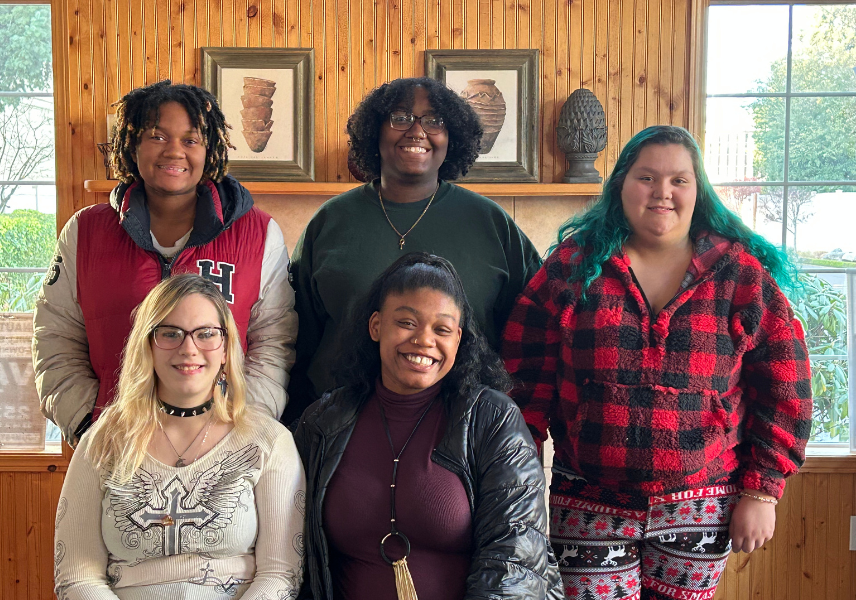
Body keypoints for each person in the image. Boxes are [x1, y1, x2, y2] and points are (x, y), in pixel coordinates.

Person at [501, 125, 813, 600]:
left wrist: (762, 492)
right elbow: (524, 384)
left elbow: (785, 389)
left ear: (697, 190)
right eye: (646, 177)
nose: (662, 192)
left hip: (703, 505)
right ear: (621, 184)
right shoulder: (571, 267)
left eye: (678, 180)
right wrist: (514, 487)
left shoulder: (741, 276)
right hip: (588, 502)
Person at [34, 81, 296, 446]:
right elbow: (56, 340)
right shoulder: (84, 232)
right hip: (115, 445)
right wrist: (87, 426)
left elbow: (274, 343)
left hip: (222, 449)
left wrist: (241, 431)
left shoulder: (260, 234)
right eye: (157, 136)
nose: (174, 152)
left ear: (210, 149)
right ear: (132, 144)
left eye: (190, 140)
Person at [294, 253, 562, 600]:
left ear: (458, 340)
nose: (424, 340)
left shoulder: (494, 420)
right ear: (376, 326)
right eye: (407, 322)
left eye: (442, 329)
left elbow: (516, 560)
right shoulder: (322, 423)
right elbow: (292, 554)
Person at [284, 77, 541, 424]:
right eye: (400, 117)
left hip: (463, 430)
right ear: (375, 131)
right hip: (340, 429)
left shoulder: (490, 223)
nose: (417, 131)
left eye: (434, 121)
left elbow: (534, 331)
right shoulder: (331, 221)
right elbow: (298, 336)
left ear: (453, 138)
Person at [54, 274, 306, 600]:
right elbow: (76, 577)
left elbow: (281, 576)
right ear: (147, 345)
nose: (189, 348)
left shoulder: (268, 443)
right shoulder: (103, 442)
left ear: (226, 348)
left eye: (206, 334)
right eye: (170, 333)